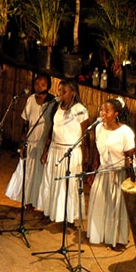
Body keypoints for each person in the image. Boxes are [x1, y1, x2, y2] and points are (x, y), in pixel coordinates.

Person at [86, 98, 135, 250]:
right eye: (101, 110)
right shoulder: (99, 127)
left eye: (107, 111)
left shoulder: (125, 132)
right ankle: (101, 234)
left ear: (116, 114)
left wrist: (128, 181)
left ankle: (118, 239)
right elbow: (97, 150)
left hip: (120, 172)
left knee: (117, 206)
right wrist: (94, 170)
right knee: (101, 201)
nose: (102, 113)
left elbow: (129, 157)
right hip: (103, 170)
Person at [39, 79, 89, 224]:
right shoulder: (57, 106)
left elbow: (86, 136)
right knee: (52, 182)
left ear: (72, 93)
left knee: (68, 185)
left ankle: (69, 217)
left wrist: (87, 158)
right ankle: (51, 212)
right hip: (55, 149)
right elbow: (52, 130)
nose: (60, 93)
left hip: (70, 152)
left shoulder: (80, 110)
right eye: (59, 90)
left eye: (64, 91)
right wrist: (46, 150)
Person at [5, 72, 56, 210]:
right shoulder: (31, 99)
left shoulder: (53, 103)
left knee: (40, 176)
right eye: (37, 84)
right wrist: (22, 144)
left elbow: (52, 127)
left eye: (43, 84)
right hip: (30, 142)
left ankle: (39, 203)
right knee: (27, 174)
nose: (39, 87)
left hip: (43, 144)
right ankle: (27, 202)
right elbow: (25, 123)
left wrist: (47, 148)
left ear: (49, 86)